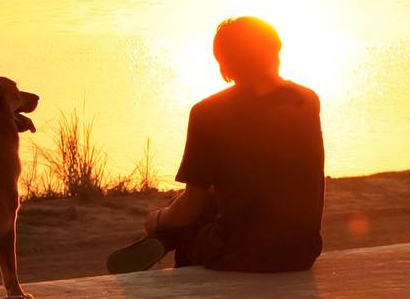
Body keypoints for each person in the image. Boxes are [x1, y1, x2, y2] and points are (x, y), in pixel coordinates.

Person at [107, 16, 324, 274]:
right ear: (275, 52)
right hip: (302, 251)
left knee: (188, 231)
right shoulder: (307, 101)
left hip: (239, 253)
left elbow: (190, 206)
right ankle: (170, 239)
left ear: (225, 64)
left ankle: (168, 245)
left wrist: (157, 219)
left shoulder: (208, 113)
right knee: (212, 205)